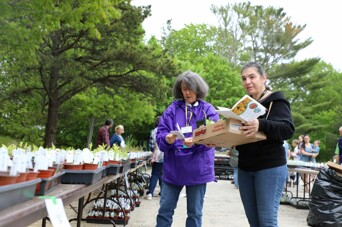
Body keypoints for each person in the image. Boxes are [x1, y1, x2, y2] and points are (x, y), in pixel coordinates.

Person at [156, 70, 219, 227]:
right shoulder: (172, 109)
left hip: (198, 169)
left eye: (190, 88)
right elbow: (161, 133)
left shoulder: (207, 110)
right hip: (173, 168)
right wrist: (166, 138)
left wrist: (197, 142)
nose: (187, 92)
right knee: (164, 211)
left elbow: (213, 136)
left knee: (195, 213)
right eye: (184, 89)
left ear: (198, 89)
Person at [236, 62, 295, 227]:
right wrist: (224, 139)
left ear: (264, 78)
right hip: (245, 168)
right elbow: (241, 137)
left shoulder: (277, 101)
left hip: (269, 167)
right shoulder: (243, 105)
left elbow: (288, 129)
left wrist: (261, 125)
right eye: (244, 78)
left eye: (252, 77)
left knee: (267, 222)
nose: (247, 81)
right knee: (254, 222)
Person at [145, 116, 163, 200]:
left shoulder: (153, 131)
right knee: (162, 173)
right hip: (165, 154)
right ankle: (162, 191)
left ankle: (150, 193)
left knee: (155, 173)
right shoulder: (166, 130)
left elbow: (151, 146)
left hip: (156, 154)